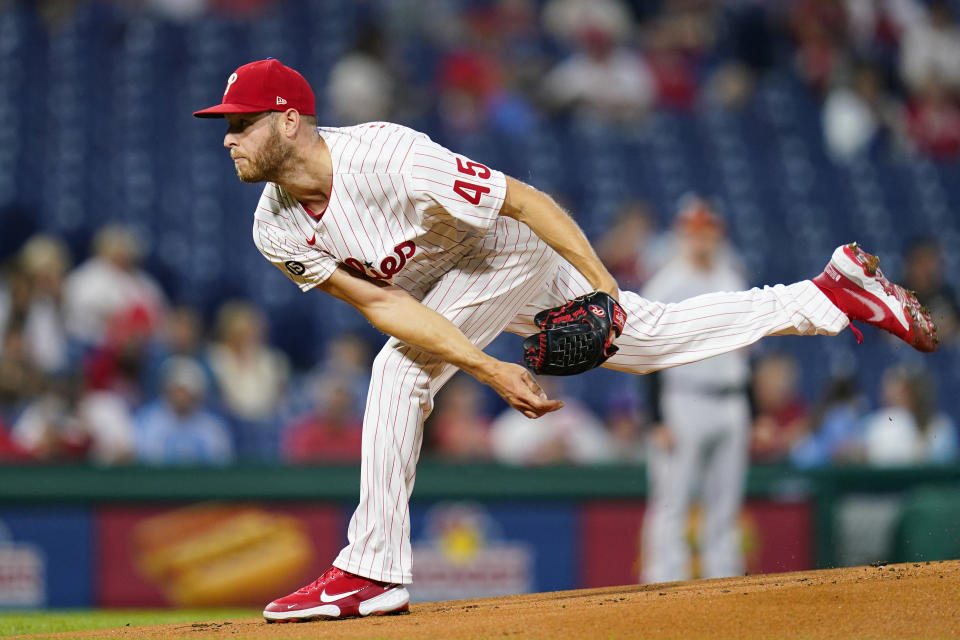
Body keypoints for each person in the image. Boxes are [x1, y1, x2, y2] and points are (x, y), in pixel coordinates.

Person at [193, 58, 937, 622]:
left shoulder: (388, 156)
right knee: (645, 341)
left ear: (289, 119)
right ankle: (828, 293)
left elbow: (526, 200)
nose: (228, 139)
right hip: (447, 288)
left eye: (240, 122)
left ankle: (374, 568)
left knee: (398, 376)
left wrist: (603, 288)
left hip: (506, 250)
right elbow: (384, 304)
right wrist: (488, 369)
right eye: (226, 124)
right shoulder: (274, 224)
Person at [639, 198, 751, 584]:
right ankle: (663, 579)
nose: (701, 239)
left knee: (726, 501)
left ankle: (725, 576)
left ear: (717, 234)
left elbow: (744, 354)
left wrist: (754, 409)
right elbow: (644, 350)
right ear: (682, 235)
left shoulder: (730, 277)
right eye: (694, 232)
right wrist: (655, 417)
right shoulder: (667, 282)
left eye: (707, 231)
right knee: (673, 499)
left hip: (731, 398)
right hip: (683, 399)